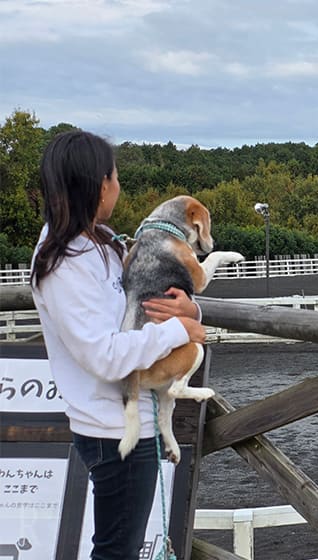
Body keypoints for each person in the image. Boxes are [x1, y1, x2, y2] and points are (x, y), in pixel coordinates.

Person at [29, 130, 206, 560]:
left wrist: (188, 312)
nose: (119, 185)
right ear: (98, 185)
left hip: (126, 418)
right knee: (117, 551)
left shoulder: (98, 243)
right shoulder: (64, 263)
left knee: (119, 547)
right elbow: (104, 354)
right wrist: (181, 330)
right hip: (113, 428)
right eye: (115, 176)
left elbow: (145, 307)